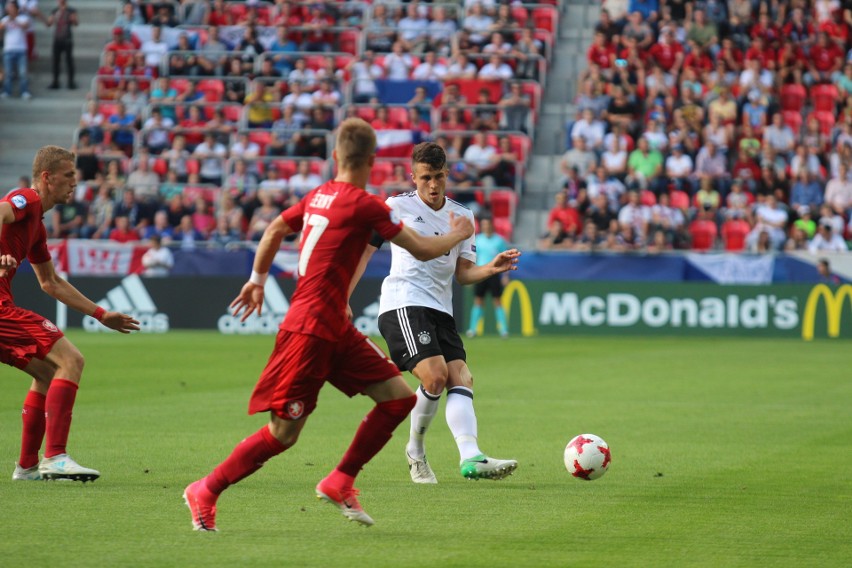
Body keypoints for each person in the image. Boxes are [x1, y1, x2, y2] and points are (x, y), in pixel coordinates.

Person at [183, 118, 475, 531]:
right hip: (308, 330)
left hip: (334, 325)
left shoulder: (317, 195)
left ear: (336, 156)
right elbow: (426, 250)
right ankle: (206, 489)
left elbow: (274, 229)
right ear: (372, 161)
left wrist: (256, 280)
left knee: (398, 398)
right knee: (283, 434)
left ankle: (340, 480)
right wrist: (458, 232)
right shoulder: (367, 205)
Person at [353, 142, 520, 485]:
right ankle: (415, 452)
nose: (432, 185)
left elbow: (463, 274)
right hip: (403, 303)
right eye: (425, 177)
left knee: (462, 378)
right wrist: (344, 294)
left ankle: (471, 456)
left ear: (447, 175)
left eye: (438, 177)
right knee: (435, 376)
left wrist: (491, 268)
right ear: (413, 177)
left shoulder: (464, 216)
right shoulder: (396, 207)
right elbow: (366, 251)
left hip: (440, 309)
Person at [0, 146, 140, 482]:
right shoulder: (27, 199)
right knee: (71, 360)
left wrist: (101, 314)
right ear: (47, 178)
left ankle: (28, 466)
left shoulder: (38, 227)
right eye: (68, 177)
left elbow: (50, 283)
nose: (74, 184)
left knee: (47, 373)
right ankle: (56, 457)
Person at [465, 217, 511, 338]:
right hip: (480, 273)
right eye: (484, 224)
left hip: (494, 274)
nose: (486, 227)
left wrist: (505, 275)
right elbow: (473, 258)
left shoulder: (499, 240)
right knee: (478, 301)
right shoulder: (478, 240)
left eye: (488, 224)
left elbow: (506, 258)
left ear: (492, 225)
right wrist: (471, 274)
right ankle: (473, 329)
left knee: (497, 301)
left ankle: (503, 330)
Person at [1, 1, 32, 99]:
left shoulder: (23, 18)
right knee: (8, 73)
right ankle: (7, 91)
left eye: (12, 8)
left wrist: (15, 19)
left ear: (16, 9)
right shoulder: (5, 19)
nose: (10, 10)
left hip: (21, 49)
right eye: (9, 8)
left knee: (23, 73)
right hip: (8, 49)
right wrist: (7, 22)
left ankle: (24, 91)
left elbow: (26, 26)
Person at [47, 0, 78, 89]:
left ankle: (71, 82)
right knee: (56, 62)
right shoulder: (55, 10)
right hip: (57, 39)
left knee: (69, 61)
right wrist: (52, 18)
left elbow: (76, 23)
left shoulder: (71, 10)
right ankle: (55, 81)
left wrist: (73, 19)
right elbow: (49, 23)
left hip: (67, 39)